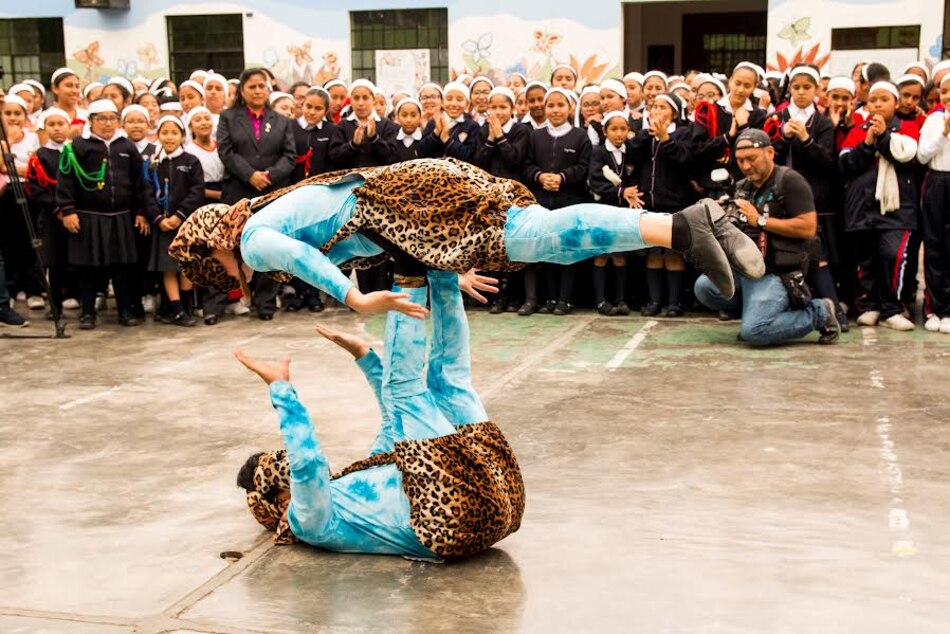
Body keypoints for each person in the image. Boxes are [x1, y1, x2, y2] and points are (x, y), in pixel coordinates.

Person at [169, 158, 765, 327]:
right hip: (409, 210)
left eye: (221, 275)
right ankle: (696, 225)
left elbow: (306, 259)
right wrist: (448, 271)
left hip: (409, 202)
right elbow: (374, 246)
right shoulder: (269, 216)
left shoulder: (250, 239)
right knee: (547, 244)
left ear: (214, 248)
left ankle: (687, 224)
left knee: (537, 234)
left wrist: (352, 301)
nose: (236, 283)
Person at [235, 270, 524, 559]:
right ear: (280, 499)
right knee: (403, 387)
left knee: (449, 381)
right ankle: (407, 269)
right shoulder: (308, 522)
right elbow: (307, 463)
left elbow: (390, 425)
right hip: (445, 520)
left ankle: (441, 274)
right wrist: (281, 390)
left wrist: (364, 355)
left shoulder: (354, 481)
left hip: (497, 501)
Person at [694, 129, 841, 346]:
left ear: (770, 152)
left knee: (754, 333)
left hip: (777, 272)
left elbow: (808, 227)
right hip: (747, 268)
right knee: (704, 287)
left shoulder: (789, 181)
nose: (746, 166)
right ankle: (755, 312)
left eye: (751, 159)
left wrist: (760, 220)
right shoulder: (742, 187)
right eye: (740, 161)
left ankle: (819, 313)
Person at [56, 99, 154, 329]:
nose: (107, 123)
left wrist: (141, 211)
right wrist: (68, 210)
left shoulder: (126, 146)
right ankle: (88, 313)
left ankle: (124, 311)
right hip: (89, 216)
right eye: (101, 118)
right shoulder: (78, 146)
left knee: (121, 268)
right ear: (91, 121)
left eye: (112, 118)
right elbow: (66, 180)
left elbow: (140, 182)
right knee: (89, 268)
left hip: (121, 216)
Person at [767, 65, 848, 330]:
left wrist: (805, 139)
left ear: (816, 90)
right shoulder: (778, 117)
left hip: (814, 200)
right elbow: (768, 156)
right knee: (784, 256)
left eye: (807, 87)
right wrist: (782, 138)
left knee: (819, 255)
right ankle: (792, 307)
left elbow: (827, 161)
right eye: (796, 87)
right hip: (780, 199)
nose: (801, 93)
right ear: (789, 88)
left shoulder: (822, 122)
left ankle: (835, 312)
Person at [839, 82, 920, 331]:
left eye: (884, 99)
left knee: (893, 255)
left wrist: (884, 137)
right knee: (865, 260)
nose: (877, 104)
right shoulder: (857, 130)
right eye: (873, 99)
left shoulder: (908, 129)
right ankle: (870, 306)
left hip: (897, 210)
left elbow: (908, 159)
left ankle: (892, 308)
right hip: (862, 208)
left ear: (895, 103)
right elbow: (846, 164)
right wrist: (867, 142)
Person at [217, 67, 297, 320]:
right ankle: (221, 302)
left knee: (268, 247)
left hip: (271, 192)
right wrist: (250, 174)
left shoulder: (281, 120)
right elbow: (226, 152)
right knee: (230, 247)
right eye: (252, 86)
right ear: (242, 90)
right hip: (238, 190)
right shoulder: (228, 117)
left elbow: (289, 156)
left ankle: (265, 303)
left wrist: (270, 176)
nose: (257, 90)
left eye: (262, 86)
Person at [523, 87, 592, 316]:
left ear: (570, 108)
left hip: (569, 201)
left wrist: (562, 178)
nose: (555, 110)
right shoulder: (535, 136)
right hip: (542, 201)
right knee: (547, 250)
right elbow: (527, 165)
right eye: (550, 105)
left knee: (567, 251)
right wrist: (540, 176)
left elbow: (584, 167)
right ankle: (550, 298)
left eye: (560, 105)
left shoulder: (580, 136)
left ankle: (565, 299)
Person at [631, 93, 696, 317]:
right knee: (653, 254)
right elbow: (632, 155)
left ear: (675, 113)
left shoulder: (684, 132)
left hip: (675, 204)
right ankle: (654, 301)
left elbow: (684, 159)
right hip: (649, 204)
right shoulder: (645, 135)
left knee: (673, 254)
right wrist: (648, 135)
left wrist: (665, 138)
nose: (657, 111)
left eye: (663, 107)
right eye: (654, 107)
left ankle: (674, 302)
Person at [476, 86, 530, 313]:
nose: (498, 111)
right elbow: (480, 162)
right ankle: (497, 297)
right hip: (490, 196)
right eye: (494, 107)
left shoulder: (520, 131)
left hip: (512, 197)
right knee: (494, 246)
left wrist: (499, 136)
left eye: (503, 107)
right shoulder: (482, 130)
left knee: (513, 246)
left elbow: (514, 159)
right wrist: (490, 138)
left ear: (512, 108)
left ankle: (515, 296)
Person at [147, 115, 205, 326]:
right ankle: (177, 309)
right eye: (165, 132)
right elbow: (146, 192)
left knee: (185, 265)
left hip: (185, 224)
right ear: (158, 135)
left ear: (182, 135)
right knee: (168, 267)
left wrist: (179, 215)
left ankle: (187, 305)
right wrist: (158, 218)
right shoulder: (152, 163)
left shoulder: (191, 161)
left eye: (174, 133)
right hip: (162, 225)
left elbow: (196, 191)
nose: (169, 137)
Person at [587, 111, 640, 316]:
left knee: (620, 256)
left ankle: (621, 299)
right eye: (614, 129)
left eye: (623, 129)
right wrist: (620, 192)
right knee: (601, 254)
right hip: (603, 210)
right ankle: (601, 300)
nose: (619, 134)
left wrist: (632, 193)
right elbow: (595, 180)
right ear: (605, 131)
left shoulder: (631, 152)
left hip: (624, 212)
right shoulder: (599, 152)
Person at [916, 73, 950, 334]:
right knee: (935, 245)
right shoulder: (934, 120)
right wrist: (944, 132)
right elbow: (923, 154)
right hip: (937, 182)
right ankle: (935, 308)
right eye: (944, 91)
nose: (947, 96)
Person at [418, 82, 480, 164]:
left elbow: (471, 157)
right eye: (449, 99)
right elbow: (420, 152)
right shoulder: (433, 123)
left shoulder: (472, 126)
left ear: (467, 104)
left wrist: (447, 140)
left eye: (459, 100)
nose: (453, 104)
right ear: (442, 102)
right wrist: (436, 133)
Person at [392, 97, 423, 163]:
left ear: (420, 117)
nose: (408, 120)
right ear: (397, 117)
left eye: (413, 115)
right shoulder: (391, 140)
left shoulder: (425, 140)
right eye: (404, 115)